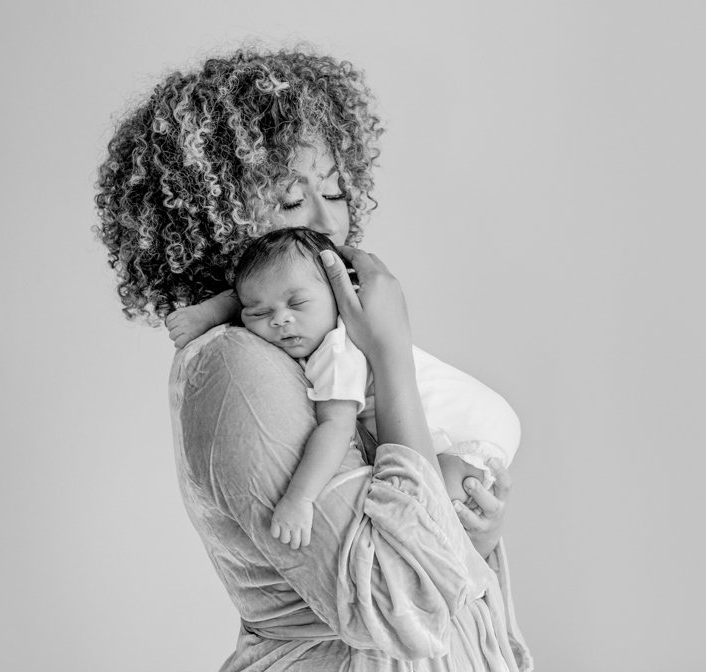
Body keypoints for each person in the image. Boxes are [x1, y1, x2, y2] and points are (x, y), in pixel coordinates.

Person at [95, 47, 531, 671]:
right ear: (213, 221)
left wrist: (472, 541)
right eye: (292, 203)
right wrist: (389, 353)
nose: (330, 224)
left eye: (335, 190)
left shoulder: (307, 343)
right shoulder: (235, 366)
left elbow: (424, 556)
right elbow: (394, 599)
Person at [213, 226, 520, 549]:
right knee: (437, 527)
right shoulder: (315, 336)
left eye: (298, 303)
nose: (279, 320)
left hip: (468, 430)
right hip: (479, 416)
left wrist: (299, 498)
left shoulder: (336, 351)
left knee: (430, 526)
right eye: (259, 313)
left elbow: (336, 427)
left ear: (340, 292)